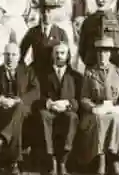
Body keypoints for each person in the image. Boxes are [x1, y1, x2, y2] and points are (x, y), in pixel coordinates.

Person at [75, 37, 119, 174]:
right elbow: (84, 98)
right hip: (96, 111)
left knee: (116, 119)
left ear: (110, 54)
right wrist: (93, 108)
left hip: (113, 109)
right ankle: (101, 160)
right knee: (99, 120)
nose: (102, 55)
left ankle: (115, 159)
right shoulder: (90, 73)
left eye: (105, 52)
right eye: (99, 53)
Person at [0, 42, 40, 175]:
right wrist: (1, 99)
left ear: (19, 56)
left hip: (23, 110)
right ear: (3, 56)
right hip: (2, 111)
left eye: (13, 54)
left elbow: (36, 91)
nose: (10, 58)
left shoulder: (28, 71)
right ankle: (14, 163)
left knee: (19, 108)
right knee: (15, 122)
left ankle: (1, 140)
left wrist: (19, 100)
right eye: (7, 54)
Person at [38, 41, 82, 175]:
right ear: (52, 55)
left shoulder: (76, 76)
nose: (59, 56)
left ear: (68, 55)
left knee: (72, 117)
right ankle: (51, 161)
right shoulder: (43, 75)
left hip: (67, 110)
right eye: (56, 53)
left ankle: (63, 161)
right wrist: (49, 103)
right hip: (50, 110)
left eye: (62, 53)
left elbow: (80, 98)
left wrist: (68, 103)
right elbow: (37, 95)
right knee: (43, 115)